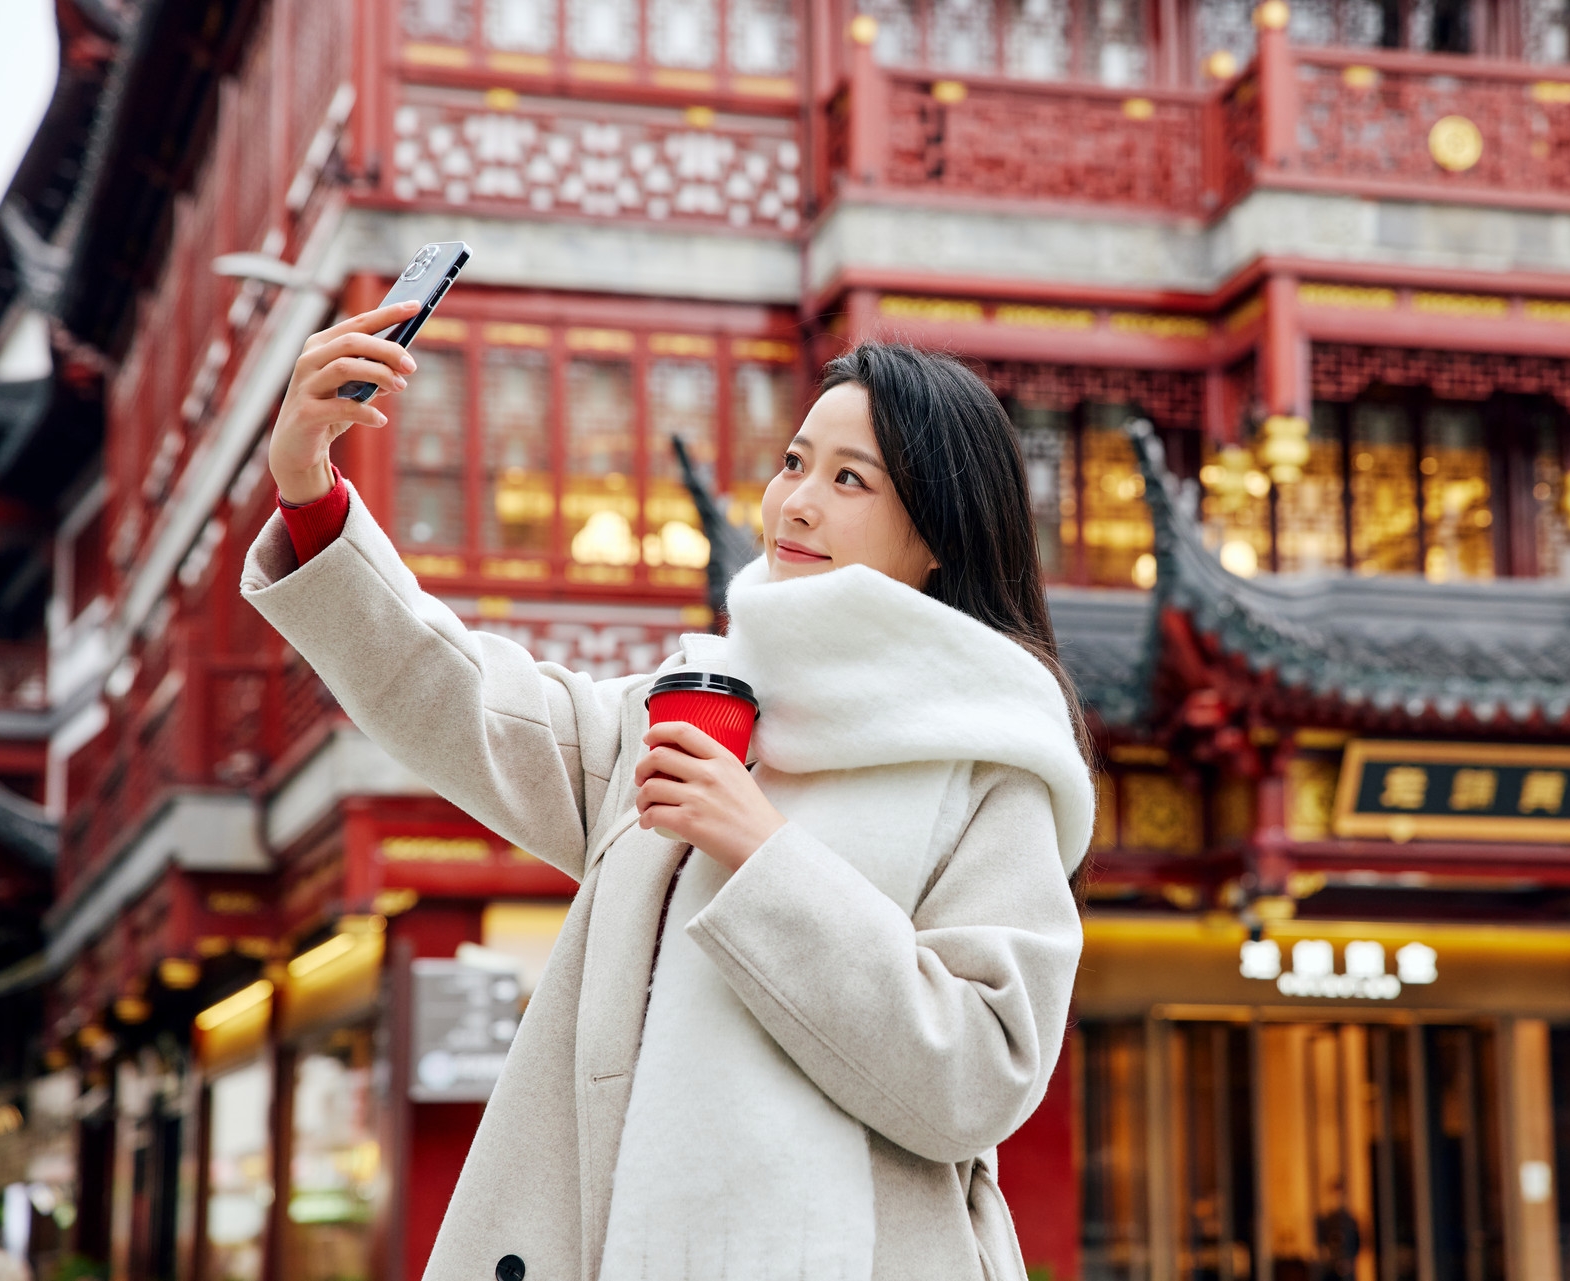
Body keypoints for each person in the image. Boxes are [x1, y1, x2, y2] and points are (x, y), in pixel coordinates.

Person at [242, 304, 1095, 1281]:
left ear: (940, 534)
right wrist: (309, 486)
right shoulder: (692, 705)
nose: (796, 504)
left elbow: (978, 1076)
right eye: (793, 462)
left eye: (849, 478)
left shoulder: (989, 767)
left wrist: (762, 854)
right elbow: (461, 697)